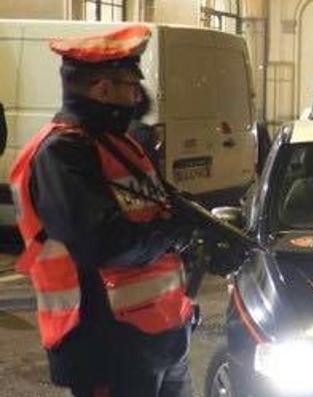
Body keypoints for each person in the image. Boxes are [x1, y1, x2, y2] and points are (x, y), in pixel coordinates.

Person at [9, 25, 197, 396]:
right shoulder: (62, 153)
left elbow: (157, 209)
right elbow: (102, 242)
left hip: (160, 333)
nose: (137, 95)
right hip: (105, 343)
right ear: (103, 88)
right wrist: (176, 229)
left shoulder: (122, 144)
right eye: (131, 84)